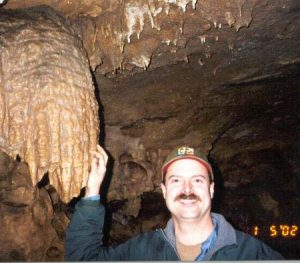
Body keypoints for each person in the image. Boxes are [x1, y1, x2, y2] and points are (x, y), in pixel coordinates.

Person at [65, 145, 283, 261]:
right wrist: (92, 191)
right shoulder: (142, 252)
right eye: (176, 180)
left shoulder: (251, 254)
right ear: (164, 191)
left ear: (211, 189)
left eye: (197, 180)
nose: (187, 189)